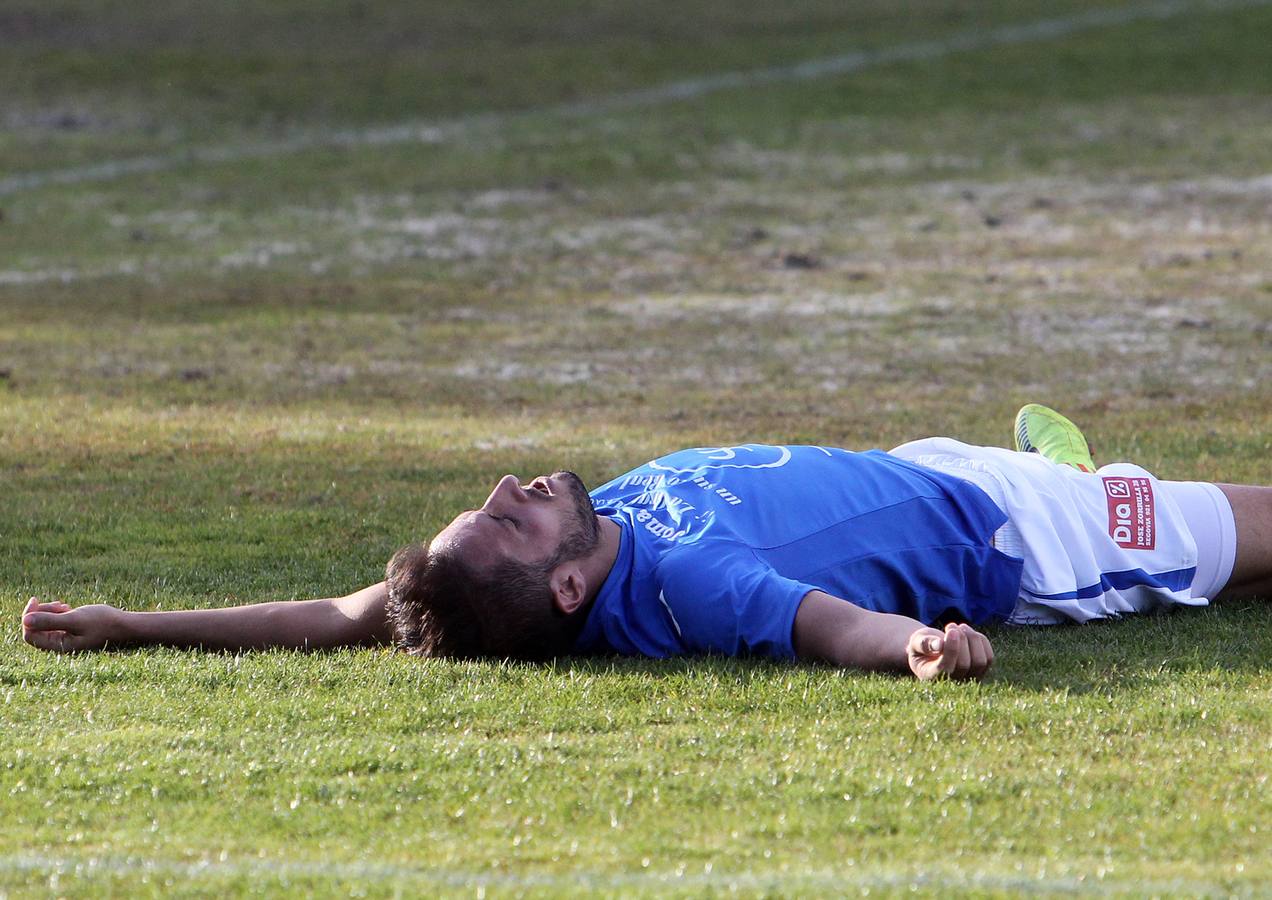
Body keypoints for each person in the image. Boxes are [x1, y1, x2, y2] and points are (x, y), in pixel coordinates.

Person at [20, 406, 1272, 681]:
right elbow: (819, 624)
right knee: (1240, 528)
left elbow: (343, 617)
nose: (513, 482)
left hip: (924, 471)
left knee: (1116, 488)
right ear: (570, 583)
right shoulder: (682, 582)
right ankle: (1110, 500)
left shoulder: (594, 539)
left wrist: (132, 626)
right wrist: (920, 656)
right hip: (1016, 538)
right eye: (512, 514)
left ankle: (1089, 471)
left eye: (494, 493)